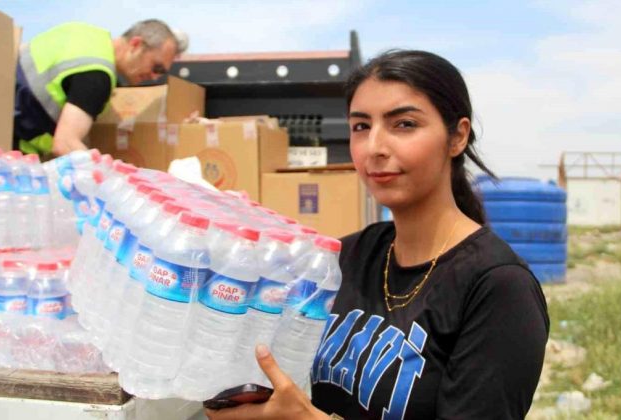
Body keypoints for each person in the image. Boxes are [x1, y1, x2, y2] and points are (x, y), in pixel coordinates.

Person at [205, 50, 550, 420]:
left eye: (403, 124)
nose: (375, 148)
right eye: (361, 127)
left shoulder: (498, 288)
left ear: (457, 137)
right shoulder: (352, 255)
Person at [13, 19, 187, 158]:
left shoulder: (85, 36)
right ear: (136, 44)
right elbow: (65, 143)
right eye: (157, 67)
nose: (155, 76)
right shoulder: (98, 75)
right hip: (9, 147)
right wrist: (111, 178)